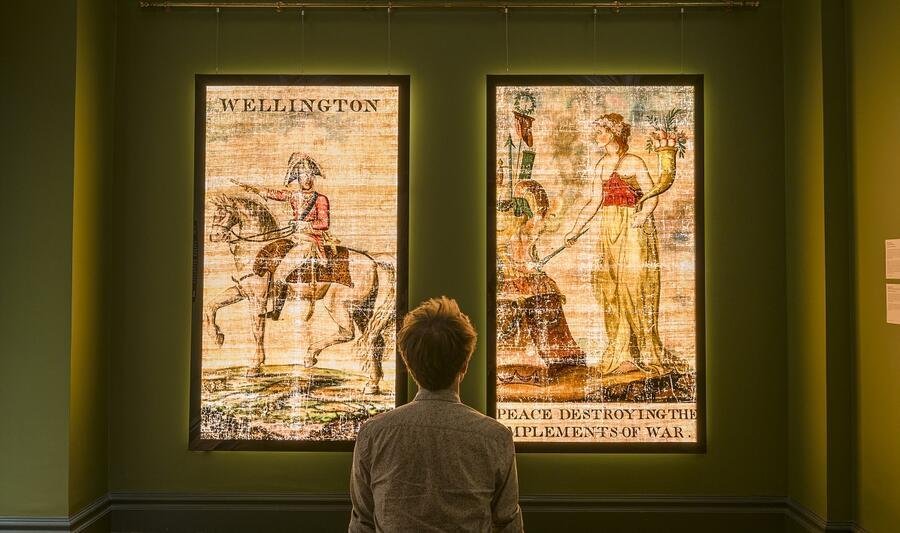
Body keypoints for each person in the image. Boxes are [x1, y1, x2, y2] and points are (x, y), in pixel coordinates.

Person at [349, 297, 523, 533]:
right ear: (465, 364)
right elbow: (508, 527)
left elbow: (362, 525)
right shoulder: (495, 437)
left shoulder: (374, 434)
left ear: (408, 364)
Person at [564, 113, 669, 375]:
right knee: (611, 288)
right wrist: (574, 230)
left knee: (633, 288)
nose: (597, 135)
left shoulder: (633, 161)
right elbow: (592, 202)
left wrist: (642, 217)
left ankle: (645, 352)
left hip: (633, 230)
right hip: (609, 230)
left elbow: (652, 195)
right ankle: (622, 353)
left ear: (613, 133)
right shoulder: (601, 165)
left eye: (601, 131)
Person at [239, 152, 333, 320]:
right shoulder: (294, 196)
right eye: (304, 176)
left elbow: (324, 223)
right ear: (298, 178)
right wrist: (256, 190)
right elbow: (278, 194)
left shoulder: (321, 199)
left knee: (281, 273)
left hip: (309, 241)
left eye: (310, 176)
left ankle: (276, 311)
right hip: (294, 239)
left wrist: (305, 225)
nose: (307, 179)